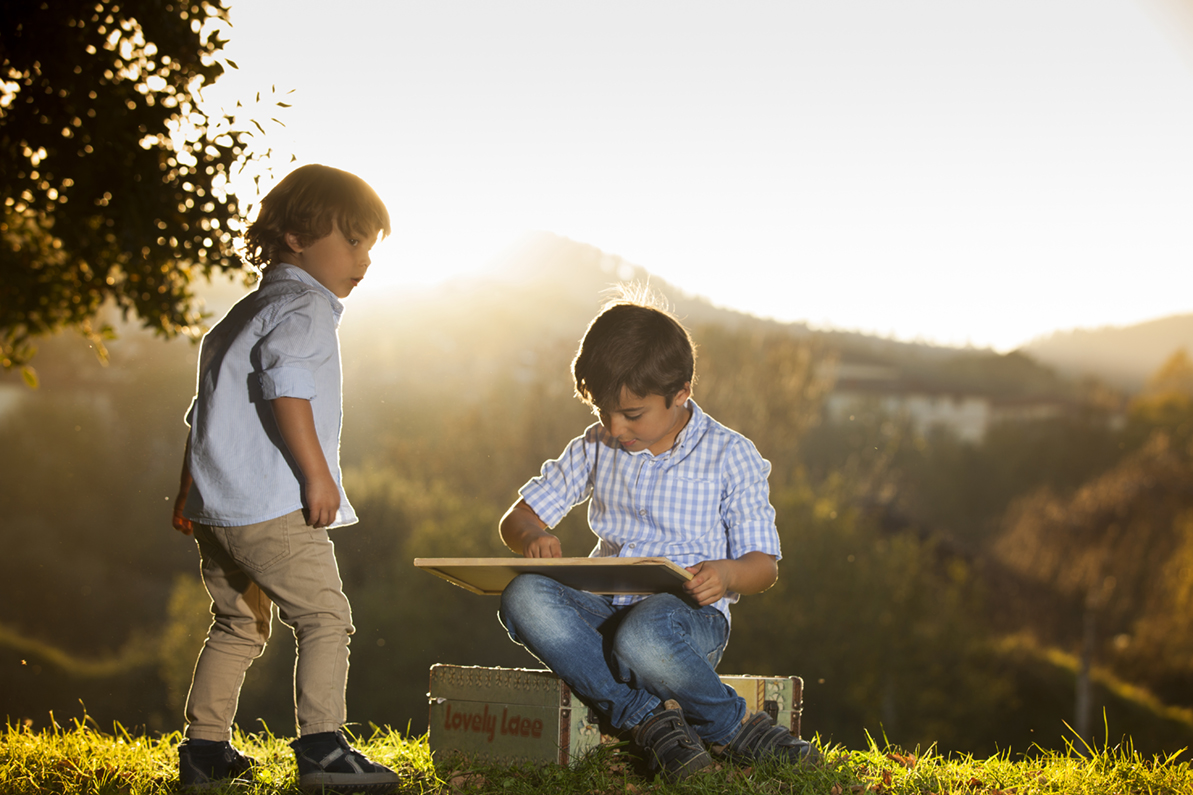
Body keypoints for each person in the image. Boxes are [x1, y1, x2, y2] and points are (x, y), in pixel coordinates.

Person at [497, 298, 819, 782]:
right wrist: (533, 537)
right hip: (604, 613)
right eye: (604, 412)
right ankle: (649, 719)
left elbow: (764, 566)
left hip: (686, 623)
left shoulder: (732, 455)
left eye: (632, 414)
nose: (614, 427)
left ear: (681, 392)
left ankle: (732, 726)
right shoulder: (595, 445)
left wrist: (728, 573)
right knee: (523, 595)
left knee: (642, 635)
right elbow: (516, 517)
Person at [170, 164, 400, 793]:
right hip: (272, 507)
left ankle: (205, 753)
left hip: (219, 509)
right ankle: (324, 749)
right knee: (326, 617)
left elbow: (205, 414)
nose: (364, 260)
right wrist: (318, 477)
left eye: (370, 246)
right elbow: (288, 392)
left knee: (237, 625)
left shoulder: (242, 313)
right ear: (296, 236)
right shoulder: (304, 308)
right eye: (352, 241)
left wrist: (188, 493)